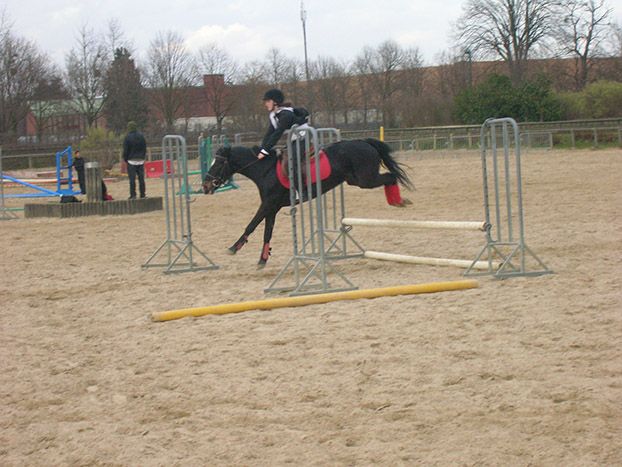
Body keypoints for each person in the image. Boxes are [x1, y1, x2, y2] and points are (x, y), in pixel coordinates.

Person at [122, 121, 147, 199]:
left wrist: (125, 159)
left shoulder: (127, 137)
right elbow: (144, 147)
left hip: (131, 160)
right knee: (141, 178)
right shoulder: (141, 136)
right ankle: (142, 194)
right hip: (140, 160)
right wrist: (143, 157)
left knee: (132, 179)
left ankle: (133, 195)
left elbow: (126, 150)